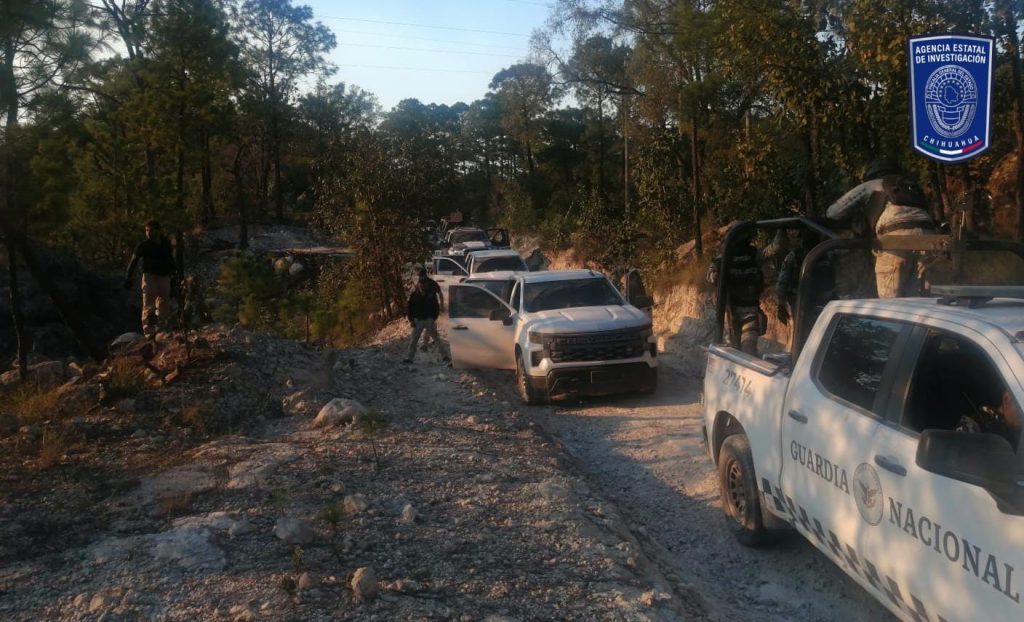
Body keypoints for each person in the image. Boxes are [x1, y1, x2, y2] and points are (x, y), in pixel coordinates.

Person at [826, 158, 936, 298]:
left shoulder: (872, 184)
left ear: (872, 175)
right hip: (929, 238)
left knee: (890, 302)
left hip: (895, 241)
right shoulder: (913, 187)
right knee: (921, 300)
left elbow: (833, 212)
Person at [709, 229, 765, 355]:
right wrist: (716, 275)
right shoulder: (723, 258)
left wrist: (780, 230)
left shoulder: (755, 254)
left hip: (750, 311)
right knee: (732, 351)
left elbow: (774, 249)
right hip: (730, 313)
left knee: (748, 348)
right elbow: (711, 276)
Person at [124, 220, 178, 338]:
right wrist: (128, 277)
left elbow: (170, 260)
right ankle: (149, 332)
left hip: (164, 276)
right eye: (147, 230)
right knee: (149, 304)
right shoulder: (143, 245)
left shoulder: (165, 244)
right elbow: (134, 261)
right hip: (150, 276)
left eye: (151, 230)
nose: (148, 233)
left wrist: (174, 276)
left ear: (158, 231)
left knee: (164, 303)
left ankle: (162, 329)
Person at [403, 275, 450, 364]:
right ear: (419, 284)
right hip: (418, 321)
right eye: (421, 283)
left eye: (424, 284)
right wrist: (411, 320)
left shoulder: (431, 295)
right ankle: (409, 358)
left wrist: (433, 318)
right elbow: (409, 308)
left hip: (429, 320)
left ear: (427, 284)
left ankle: (445, 356)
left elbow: (436, 308)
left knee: (437, 339)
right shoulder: (414, 295)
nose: (422, 285)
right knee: (413, 340)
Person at [417, 266, 443, 351]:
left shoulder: (432, 283)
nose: (421, 277)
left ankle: (425, 345)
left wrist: (442, 305)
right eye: (420, 276)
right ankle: (436, 340)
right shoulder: (419, 283)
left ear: (425, 275)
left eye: (422, 276)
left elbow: (440, 294)